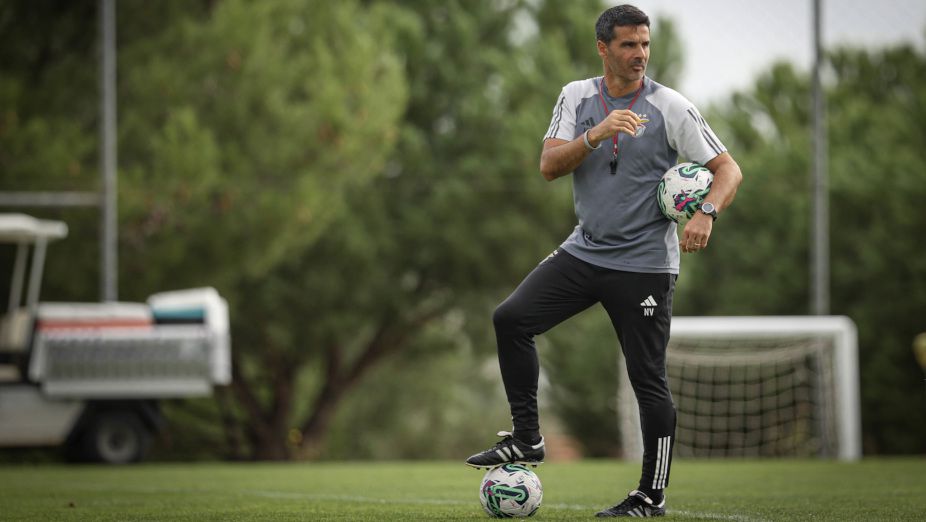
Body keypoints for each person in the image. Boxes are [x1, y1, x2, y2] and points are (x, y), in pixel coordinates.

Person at [464, 4, 743, 518]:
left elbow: (728, 170)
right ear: (603, 48)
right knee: (511, 319)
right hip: (584, 250)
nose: (639, 55)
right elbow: (549, 165)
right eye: (628, 45)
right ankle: (527, 439)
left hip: (644, 266)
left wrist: (705, 213)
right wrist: (596, 133)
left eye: (645, 44)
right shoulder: (575, 97)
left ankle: (650, 496)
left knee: (647, 380)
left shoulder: (671, 107)